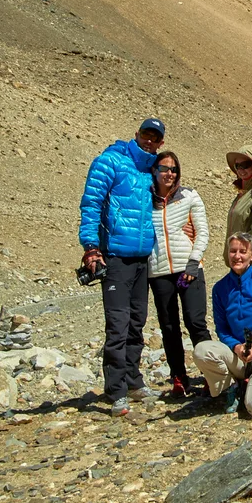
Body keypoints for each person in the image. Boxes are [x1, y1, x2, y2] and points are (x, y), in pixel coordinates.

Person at [78, 117, 165, 417]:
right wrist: (91, 248)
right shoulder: (110, 161)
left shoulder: (151, 170)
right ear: (137, 134)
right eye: (146, 135)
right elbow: (91, 203)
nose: (150, 141)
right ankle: (116, 391)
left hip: (141, 257)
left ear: (161, 142)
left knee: (137, 322)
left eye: (156, 137)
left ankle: (133, 380)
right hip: (114, 256)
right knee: (118, 324)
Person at [192, 232, 252, 418]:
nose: (237, 256)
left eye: (243, 251)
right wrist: (236, 347)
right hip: (237, 356)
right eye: (233, 251)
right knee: (202, 351)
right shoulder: (220, 288)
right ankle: (231, 388)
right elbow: (222, 329)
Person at [147, 150, 211, 399]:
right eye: (164, 169)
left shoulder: (189, 196)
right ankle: (179, 376)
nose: (169, 174)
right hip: (159, 271)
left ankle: (210, 373)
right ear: (154, 171)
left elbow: (202, 231)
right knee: (169, 326)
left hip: (189, 269)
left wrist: (194, 262)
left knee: (196, 322)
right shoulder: (146, 200)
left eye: (174, 169)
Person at [225, 145, 252, 265]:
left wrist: (243, 251)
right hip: (240, 259)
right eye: (238, 166)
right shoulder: (243, 192)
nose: (241, 169)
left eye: (246, 165)